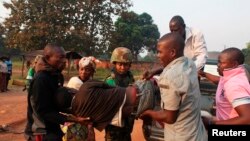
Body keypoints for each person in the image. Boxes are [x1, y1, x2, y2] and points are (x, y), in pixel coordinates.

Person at [140, 33, 207, 141]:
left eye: (160, 52)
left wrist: (148, 113)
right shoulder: (190, 64)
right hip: (197, 134)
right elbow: (175, 66)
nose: (157, 55)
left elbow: (169, 117)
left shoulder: (169, 78)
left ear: (172, 53)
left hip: (180, 137)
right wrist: (155, 71)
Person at [24, 43, 87, 141]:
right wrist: (73, 119)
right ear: (48, 57)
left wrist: (74, 112)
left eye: (64, 58)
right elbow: (43, 111)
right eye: (60, 58)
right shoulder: (41, 79)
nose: (64, 61)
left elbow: (55, 104)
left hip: (53, 127)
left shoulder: (57, 76)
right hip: (41, 131)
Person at [143, 15, 208, 79]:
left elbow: (202, 56)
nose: (174, 33)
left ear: (184, 26)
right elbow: (168, 61)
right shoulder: (172, 39)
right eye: (171, 31)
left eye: (176, 30)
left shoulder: (196, 34)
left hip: (194, 69)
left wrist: (187, 70)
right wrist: (153, 72)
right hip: (178, 71)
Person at [199, 47, 250, 125]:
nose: (218, 65)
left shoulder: (235, 85)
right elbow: (219, 80)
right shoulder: (229, 77)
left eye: (221, 63)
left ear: (234, 64)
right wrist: (204, 74)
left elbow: (247, 119)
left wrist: (211, 123)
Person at [104, 47, 135, 141]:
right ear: (115, 63)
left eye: (125, 65)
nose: (122, 67)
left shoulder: (131, 79)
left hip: (127, 122)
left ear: (129, 65)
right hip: (113, 123)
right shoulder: (109, 81)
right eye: (120, 64)